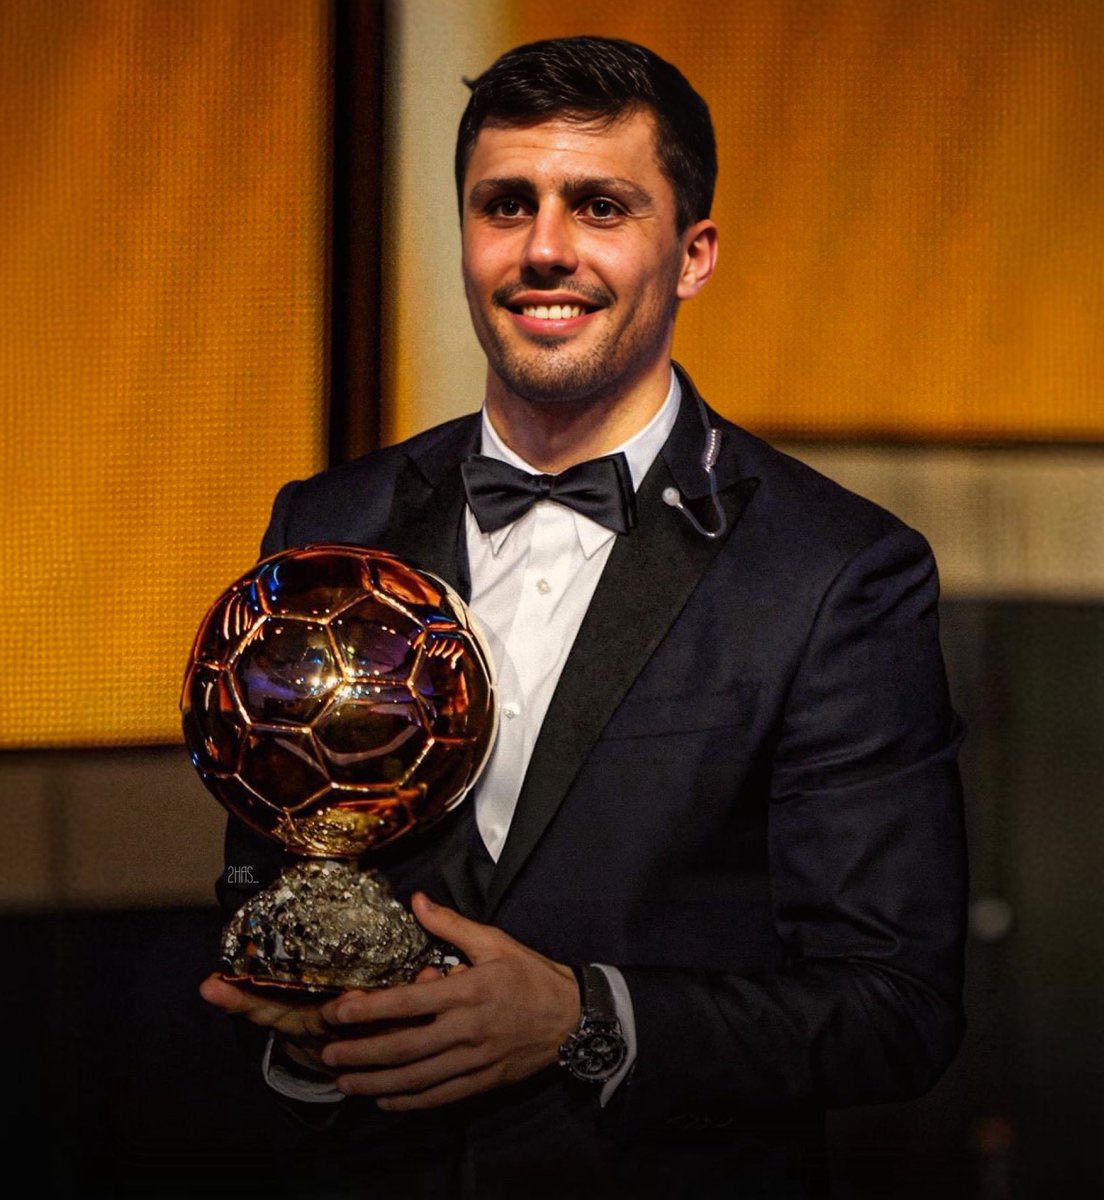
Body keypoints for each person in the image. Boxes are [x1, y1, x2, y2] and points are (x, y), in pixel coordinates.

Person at [201, 35, 967, 1199]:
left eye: (599, 206)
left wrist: (580, 1020)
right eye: (506, 205)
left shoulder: (837, 570)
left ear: (694, 253)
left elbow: (893, 1007)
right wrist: (308, 1039)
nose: (544, 248)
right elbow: (270, 882)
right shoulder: (328, 517)